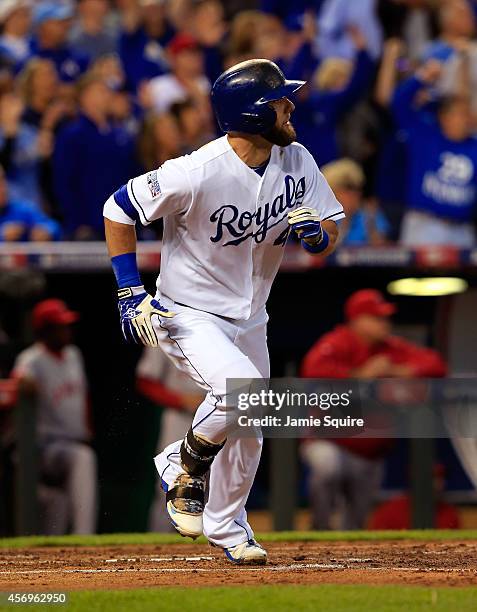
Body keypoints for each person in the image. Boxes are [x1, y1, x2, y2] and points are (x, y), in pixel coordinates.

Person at [103, 59, 344, 563]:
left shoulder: (297, 160)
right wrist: (130, 291)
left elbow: (332, 224)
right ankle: (183, 461)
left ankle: (228, 527)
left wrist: (318, 238)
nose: (290, 105)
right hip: (189, 310)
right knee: (247, 391)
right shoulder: (196, 171)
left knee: (251, 428)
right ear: (255, 114)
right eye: (280, 100)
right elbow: (117, 209)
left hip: (252, 313)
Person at [301, 289, 447, 530]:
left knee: (355, 522)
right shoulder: (338, 342)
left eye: (385, 317)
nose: (385, 323)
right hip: (329, 440)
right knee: (328, 468)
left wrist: (400, 372)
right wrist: (362, 375)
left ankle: (344, 561)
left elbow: (435, 363)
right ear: (357, 320)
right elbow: (313, 370)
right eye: (377, 318)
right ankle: (319, 528)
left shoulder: (390, 348)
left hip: (369, 452)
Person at [12, 299, 97, 534]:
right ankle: (84, 534)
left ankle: (61, 559)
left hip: (70, 444)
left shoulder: (73, 354)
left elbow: (83, 395)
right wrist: (23, 381)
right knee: (84, 458)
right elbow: (19, 381)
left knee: (59, 504)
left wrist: (87, 427)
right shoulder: (31, 360)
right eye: (60, 326)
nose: (66, 330)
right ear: (44, 330)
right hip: (43, 449)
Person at [392, 59, 477, 246]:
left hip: (463, 231)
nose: (467, 119)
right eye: (460, 114)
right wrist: (422, 77)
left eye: (467, 114)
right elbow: (398, 103)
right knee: (418, 276)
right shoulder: (424, 135)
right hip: (424, 226)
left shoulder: (474, 146)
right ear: (444, 118)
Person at [53, 72, 138, 239]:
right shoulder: (72, 134)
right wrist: (77, 222)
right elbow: (64, 182)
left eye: (107, 91)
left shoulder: (120, 134)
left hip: (123, 221)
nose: (107, 96)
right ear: (84, 97)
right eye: (101, 91)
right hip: (89, 225)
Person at [136, 347, 204, 531]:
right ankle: (157, 546)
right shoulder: (165, 324)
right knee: (170, 485)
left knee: (214, 488)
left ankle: (211, 549)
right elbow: (146, 380)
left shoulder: (222, 326)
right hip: (179, 416)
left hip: (215, 416)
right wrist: (180, 400)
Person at [369, 464, 460, 529]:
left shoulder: (449, 513)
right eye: (432, 478)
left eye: (441, 478)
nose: (438, 484)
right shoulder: (389, 512)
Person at [321, 158, 390, 246]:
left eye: (357, 189)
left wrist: (370, 224)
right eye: (347, 189)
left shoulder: (370, 213)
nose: (354, 194)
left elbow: (382, 250)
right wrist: (345, 223)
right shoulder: (323, 217)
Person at [0, 163, 60, 241]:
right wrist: (2, 237)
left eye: (3, 179)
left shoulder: (22, 210)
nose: (3, 187)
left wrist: (46, 231)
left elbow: (54, 226)